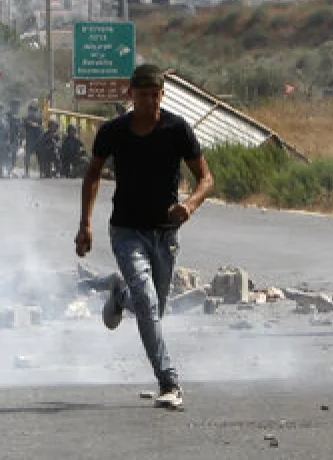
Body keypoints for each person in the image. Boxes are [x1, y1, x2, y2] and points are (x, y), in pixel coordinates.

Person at [75, 63, 214, 409]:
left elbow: (206, 178)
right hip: (126, 230)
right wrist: (85, 224)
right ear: (130, 95)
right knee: (149, 304)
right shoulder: (114, 131)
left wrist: (190, 205)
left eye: (156, 95)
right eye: (143, 95)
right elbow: (92, 173)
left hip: (165, 235)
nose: (150, 102)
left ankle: (120, 296)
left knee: (154, 307)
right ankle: (169, 381)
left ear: (162, 96)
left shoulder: (176, 129)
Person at [22, 104, 43, 178]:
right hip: (35, 140)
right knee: (39, 157)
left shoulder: (27, 117)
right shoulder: (38, 117)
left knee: (29, 156)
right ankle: (41, 173)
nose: (32, 112)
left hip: (32, 140)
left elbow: (23, 127)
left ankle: (28, 173)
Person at [6, 99, 23, 178]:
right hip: (8, 138)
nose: (16, 108)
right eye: (15, 106)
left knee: (14, 155)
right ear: (11, 106)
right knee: (8, 155)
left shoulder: (18, 117)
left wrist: (20, 140)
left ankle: (11, 170)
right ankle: (7, 171)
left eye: (17, 106)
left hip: (15, 139)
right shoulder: (7, 115)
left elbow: (20, 129)